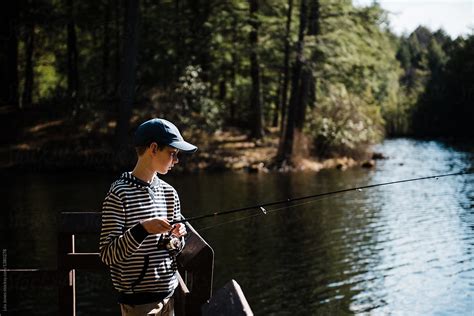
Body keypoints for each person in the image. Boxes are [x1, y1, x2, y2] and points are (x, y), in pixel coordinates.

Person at [99, 118, 197, 316]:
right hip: (138, 304)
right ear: (153, 148)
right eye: (172, 153)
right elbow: (108, 254)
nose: (176, 160)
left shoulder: (170, 193)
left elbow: (173, 249)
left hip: (169, 296)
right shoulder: (120, 192)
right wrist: (142, 229)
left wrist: (177, 237)